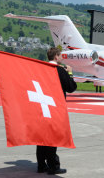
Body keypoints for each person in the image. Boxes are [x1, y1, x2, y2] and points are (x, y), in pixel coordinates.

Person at [36, 47, 77, 175]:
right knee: (52, 137)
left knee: (41, 138)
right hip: (53, 107)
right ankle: (53, 166)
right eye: (60, 56)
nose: (61, 58)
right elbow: (71, 87)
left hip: (41, 105)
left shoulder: (41, 69)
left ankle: (41, 165)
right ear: (56, 57)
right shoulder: (59, 70)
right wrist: (70, 73)